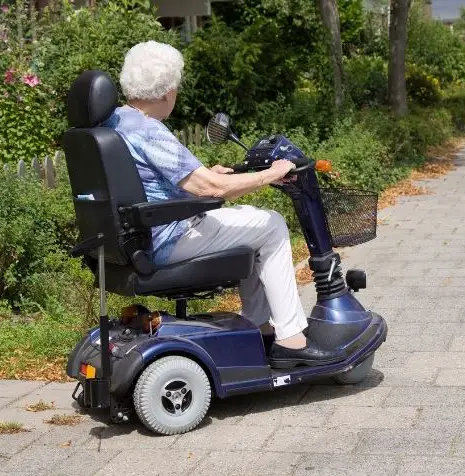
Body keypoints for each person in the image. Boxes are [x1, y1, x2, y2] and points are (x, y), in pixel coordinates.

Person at [103, 41, 344, 367]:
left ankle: (259, 329)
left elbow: (152, 184)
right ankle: (291, 338)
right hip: (167, 239)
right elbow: (210, 188)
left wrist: (205, 176)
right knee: (271, 225)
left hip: (139, 237)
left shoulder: (117, 120)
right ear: (167, 92)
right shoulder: (149, 130)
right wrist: (269, 174)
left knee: (250, 224)